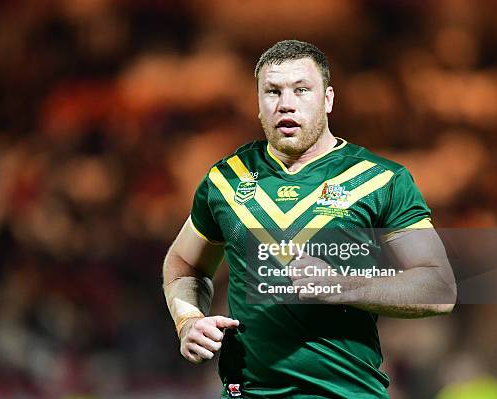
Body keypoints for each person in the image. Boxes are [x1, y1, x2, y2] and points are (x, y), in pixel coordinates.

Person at [162, 40, 456, 399]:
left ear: (328, 99)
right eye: (273, 91)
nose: (286, 103)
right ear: (258, 103)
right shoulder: (226, 179)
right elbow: (184, 263)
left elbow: (439, 287)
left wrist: (339, 285)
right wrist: (187, 320)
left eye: (302, 90)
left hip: (346, 393)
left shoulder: (380, 180)